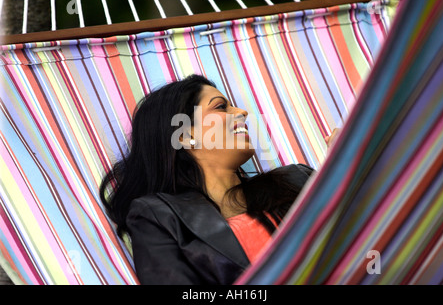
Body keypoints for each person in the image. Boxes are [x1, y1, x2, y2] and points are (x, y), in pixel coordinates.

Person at [100, 74, 315, 285]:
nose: (242, 112)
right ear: (185, 136)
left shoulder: (299, 179)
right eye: (221, 107)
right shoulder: (157, 216)